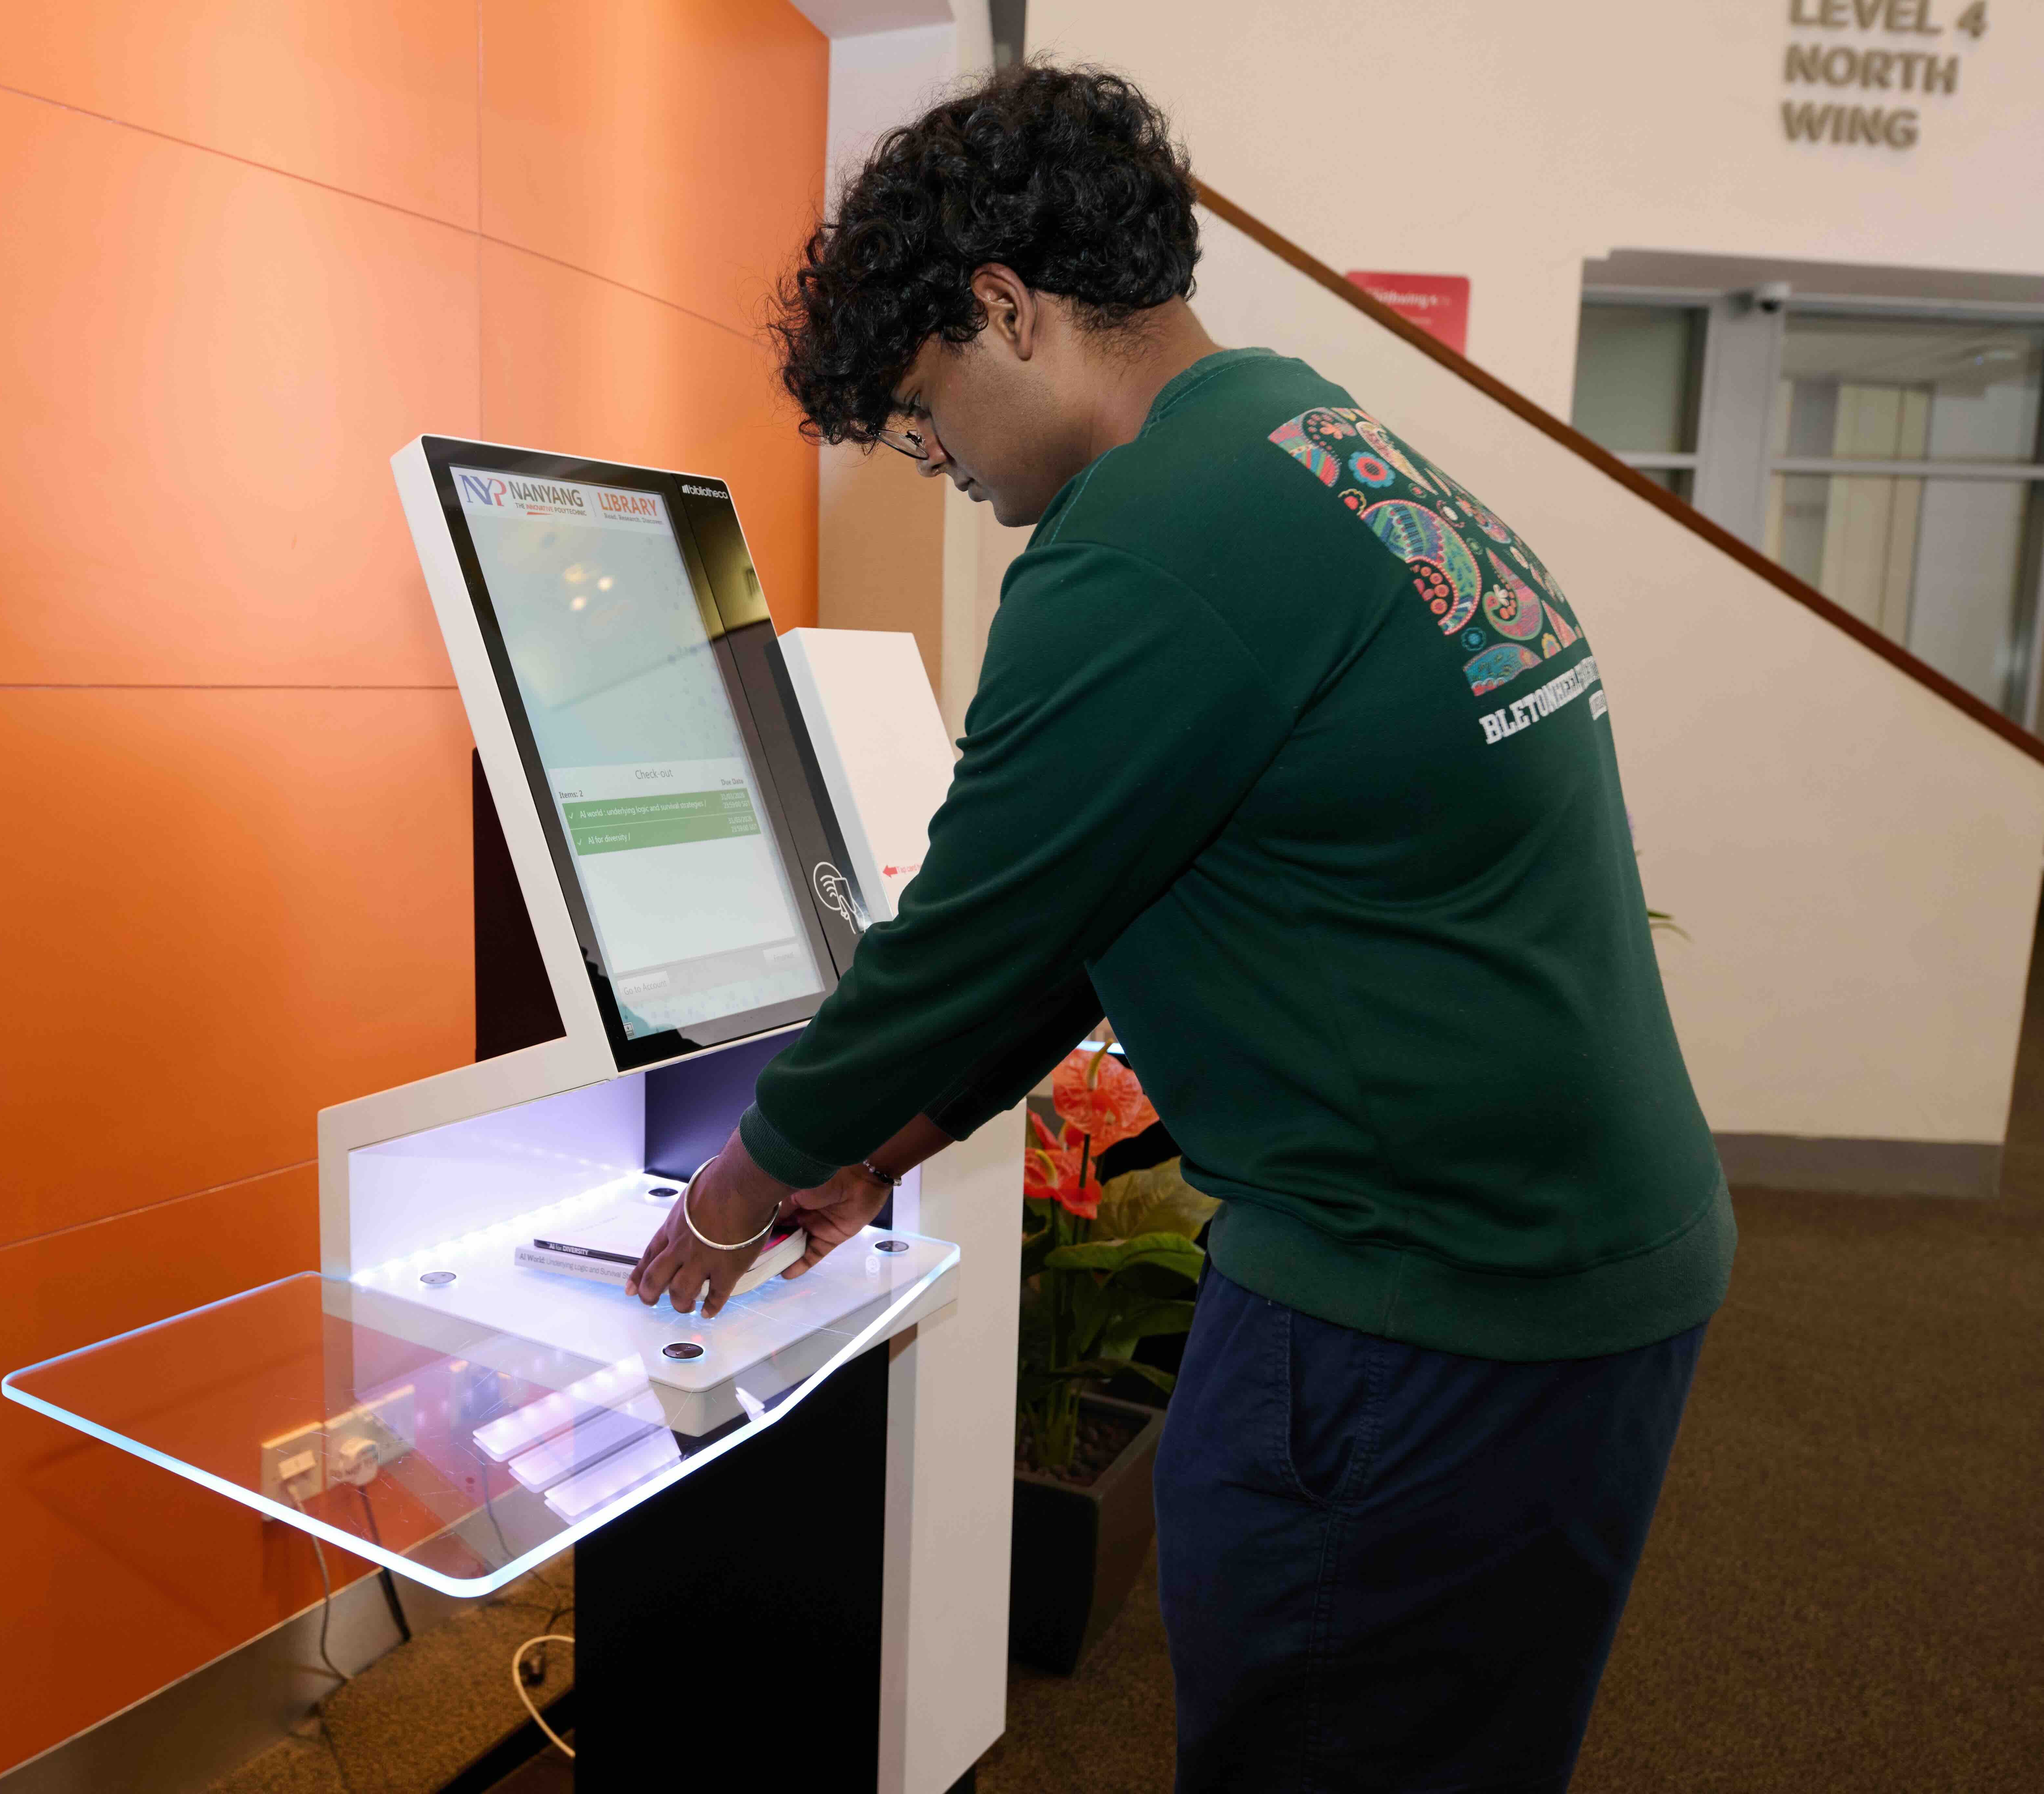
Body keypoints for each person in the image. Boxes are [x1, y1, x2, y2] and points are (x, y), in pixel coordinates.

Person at [622, 60, 1731, 1794]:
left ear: (1007, 311)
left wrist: (743, 1181)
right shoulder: (1304, 437)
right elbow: (1095, 906)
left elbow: (975, 931)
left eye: (923, 415)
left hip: (1417, 1305)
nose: (939, 465)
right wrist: (881, 1148)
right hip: (1573, 1261)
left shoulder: (1147, 545)